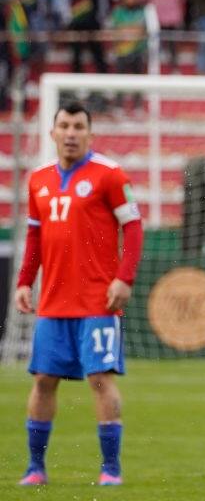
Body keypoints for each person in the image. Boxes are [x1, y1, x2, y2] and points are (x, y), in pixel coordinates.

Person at [15, 101, 144, 486]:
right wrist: (24, 281)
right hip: (53, 301)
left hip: (97, 301)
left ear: (90, 133)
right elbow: (35, 236)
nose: (71, 133)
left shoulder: (110, 175)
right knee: (42, 381)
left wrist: (125, 279)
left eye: (78, 126)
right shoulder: (38, 179)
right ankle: (35, 468)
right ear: (53, 132)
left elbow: (134, 229)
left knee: (100, 379)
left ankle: (111, 469)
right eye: (64, 126)